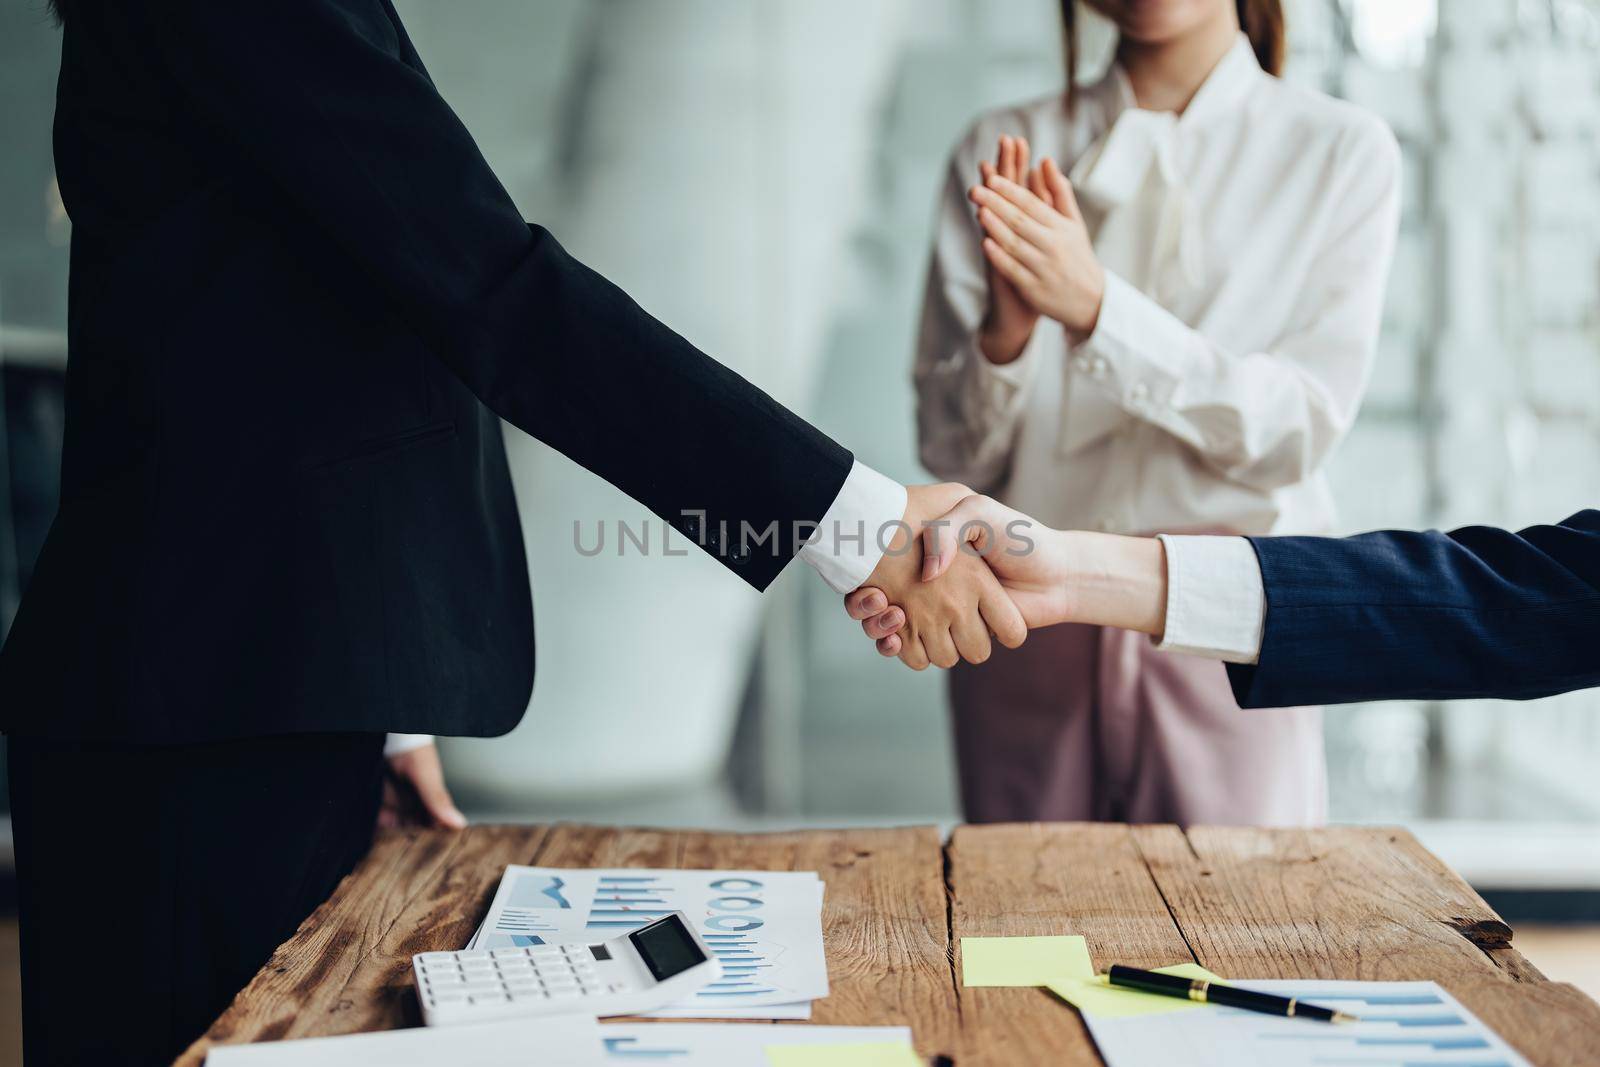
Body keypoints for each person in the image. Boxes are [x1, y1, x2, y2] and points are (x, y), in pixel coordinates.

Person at [0, 3, 1019, 1062]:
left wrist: (380, 703)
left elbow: (344, 309)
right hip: (198, 724)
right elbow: (492, 289)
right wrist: (857, 520)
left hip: (267, 690)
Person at [910, 0, 1400, 826]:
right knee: (1020, 935)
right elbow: (948, 448)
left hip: (1230, 636)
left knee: (1237, 937)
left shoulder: (1340, 152)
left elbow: (1297, 429)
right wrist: (1008, 333)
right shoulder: (1000, 147)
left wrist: (1100, 310)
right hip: (1021, 626)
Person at [850, 493, 1600, 707]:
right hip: (1047, 609)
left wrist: (1100, 311)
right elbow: (1530, 595)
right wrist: (1075, 572)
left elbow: (1521, 603)